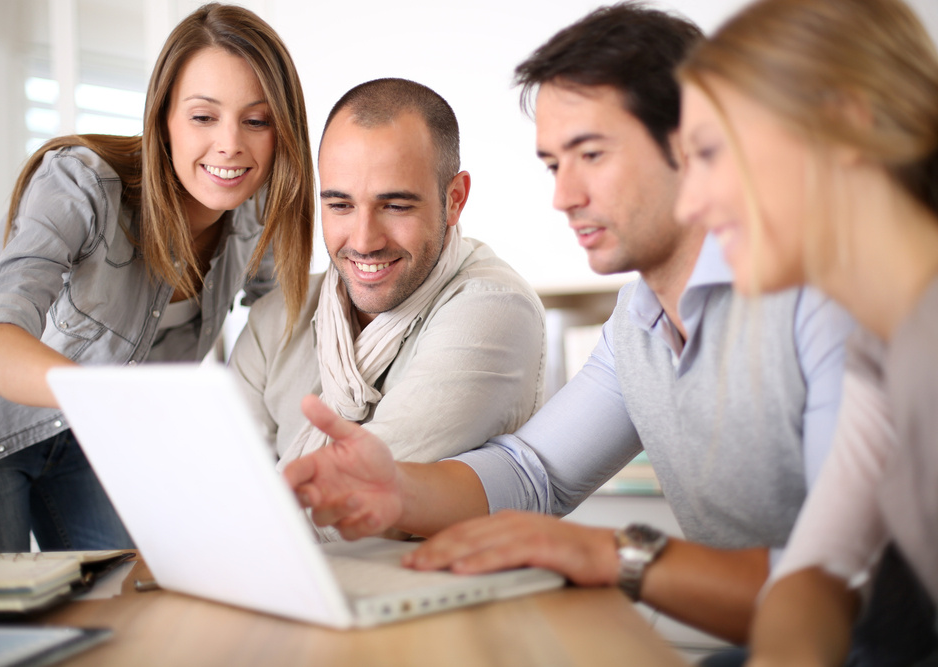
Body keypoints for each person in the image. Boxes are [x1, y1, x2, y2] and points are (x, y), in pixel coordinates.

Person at [282, 3, 854, 647]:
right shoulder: (638, 321)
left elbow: (848, 589)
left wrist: (613, 553)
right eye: (556, 163)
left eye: (592, 154)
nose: (564, 196)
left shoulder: (825, 296)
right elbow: (536, 472)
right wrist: (398, 487)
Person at [0, 3, 315, 555]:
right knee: (3, 621)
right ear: (163, 119)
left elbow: (288, 330)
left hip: (91, 440)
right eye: (203, 117)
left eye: (256, 120)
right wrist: (117, 402)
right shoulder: (78, 185)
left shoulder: (258, 216)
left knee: (130, 589)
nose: (231, 144)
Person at [676, 0, 938, 664]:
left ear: (844, 125)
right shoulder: (881, 343)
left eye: (710, 152)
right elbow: (818, 569)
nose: (689, 205)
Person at [228, 78, 546, 538]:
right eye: (340, 205)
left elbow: (350, 504)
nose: (362, 241)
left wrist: (229, 522)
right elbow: (220, 487)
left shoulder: (494, 310)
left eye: (395, 206)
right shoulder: (274, 319)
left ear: (454, 198)